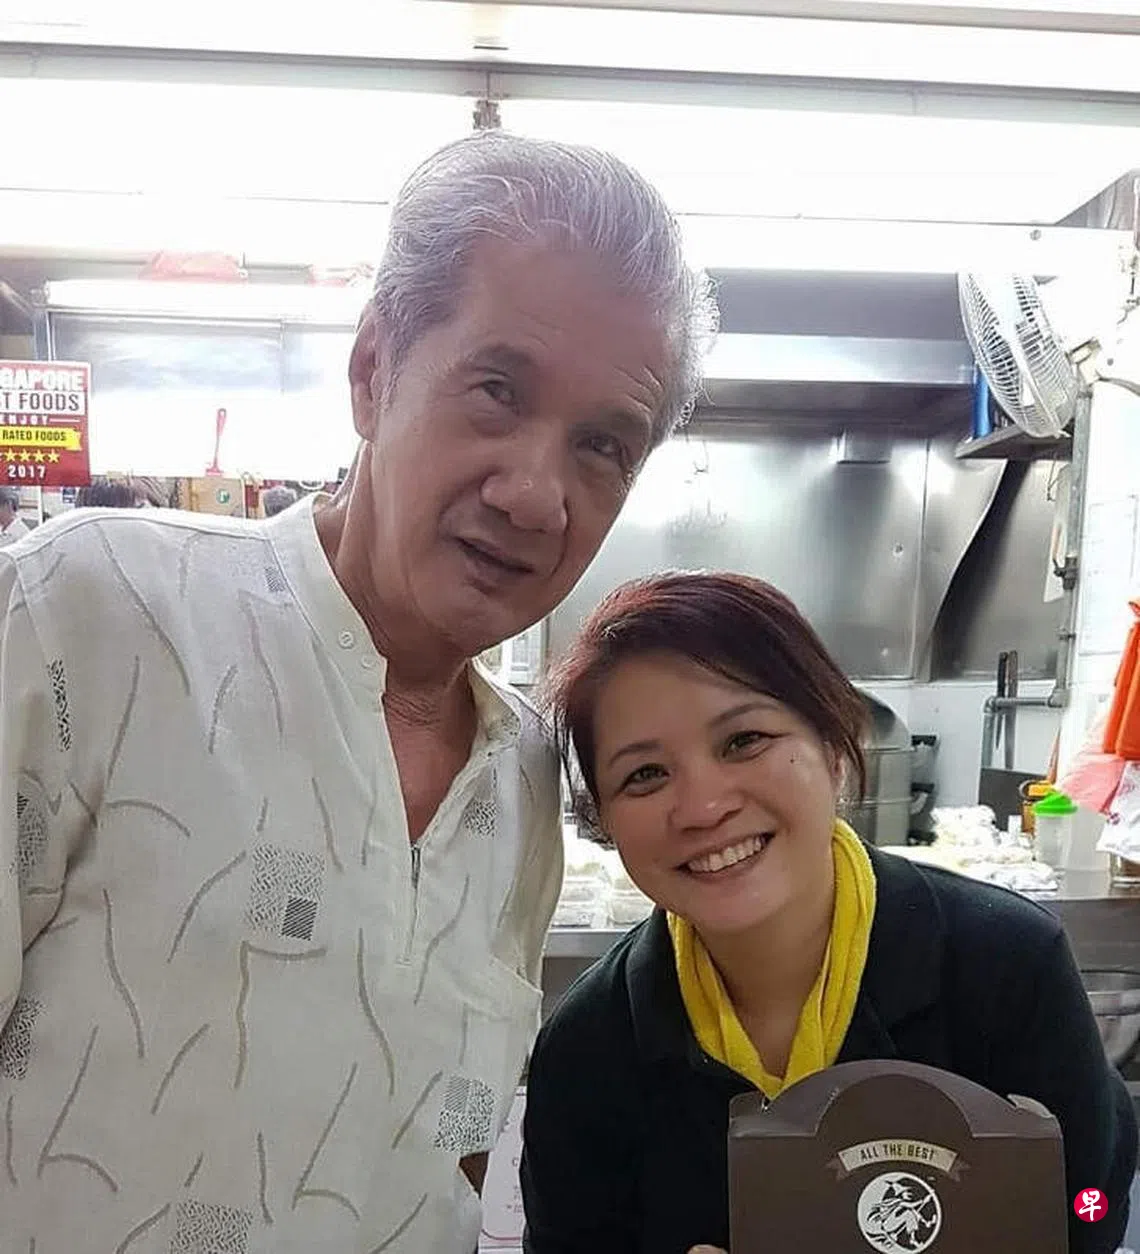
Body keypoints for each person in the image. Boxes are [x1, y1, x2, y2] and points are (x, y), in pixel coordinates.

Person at [0, 134, 716, 1253]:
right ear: (374, 370)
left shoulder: (525, 778)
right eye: (497, 390)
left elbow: (444, 1161)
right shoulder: (88, 614)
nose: (536, 496)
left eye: (602, 445)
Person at [522, 571, 1138, 1254]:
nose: (702, 808)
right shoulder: (590, 1049)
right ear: (604, 821)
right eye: (644, 775)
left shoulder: (1006, 968)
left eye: (743, 740)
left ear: (834, 745)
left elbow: (1089, 1208)